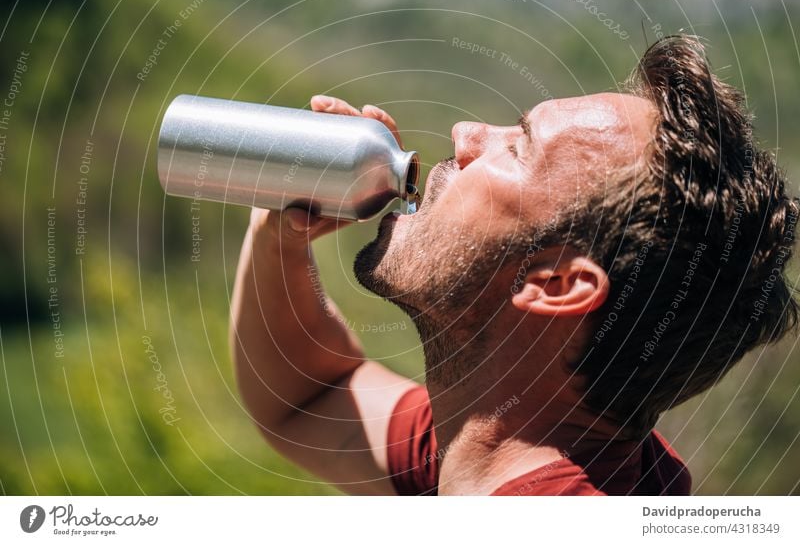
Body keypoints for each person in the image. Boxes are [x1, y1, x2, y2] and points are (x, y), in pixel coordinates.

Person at [229, 35, 798, 495]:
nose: (467, 135)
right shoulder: (500, 439)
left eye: (519, 148)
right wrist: (280, 233)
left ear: (555, 284)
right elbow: (309, 400)